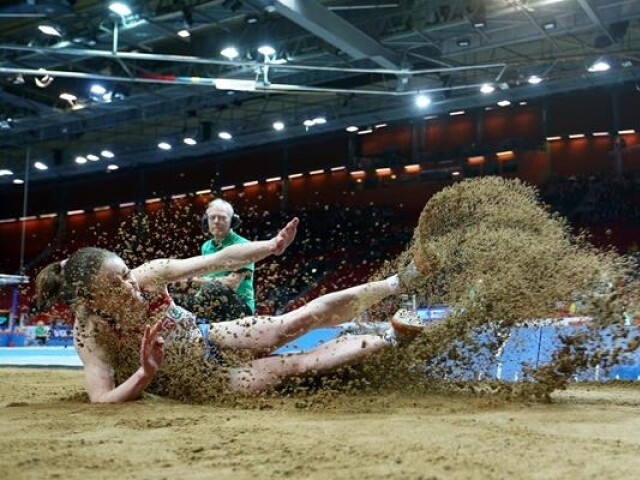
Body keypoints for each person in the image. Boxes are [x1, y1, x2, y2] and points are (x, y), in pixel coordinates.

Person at [35, 218, 429, 403]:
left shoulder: (148, 276)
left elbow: (218, 259)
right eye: (115, 287)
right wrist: (145, 373)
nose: (129, 286)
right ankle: (388, 336)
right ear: (91, 300)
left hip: (207, 336)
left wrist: (269, 247)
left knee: (288, 323)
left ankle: (399, 282)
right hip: (199, 382)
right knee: (292, 367)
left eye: (124, 274)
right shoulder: (90, 334)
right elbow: (102, 400)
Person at [176, 199, 255, 322]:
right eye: (212, 217)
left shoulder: (244, 246)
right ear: (206, 221)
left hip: (240, 308)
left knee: (213, 288)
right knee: (175, 299)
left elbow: (232, 283)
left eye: (222, 218)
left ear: (233, 221)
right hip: (213, 303)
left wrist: (197, 281)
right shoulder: (206, 246)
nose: (216, 221)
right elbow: (200, 281)